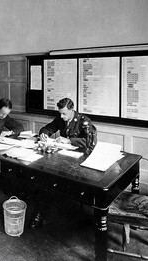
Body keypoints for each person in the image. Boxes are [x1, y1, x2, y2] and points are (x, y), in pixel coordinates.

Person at [29, 97, 97, 229]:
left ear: (72, 110)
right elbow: (47, 128)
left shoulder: (84, 121)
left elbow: (91, 142)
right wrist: (44, 134)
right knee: (46, 178)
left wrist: (70, 141)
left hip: (79, 161)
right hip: (63, 158)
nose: (61, 116)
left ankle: (44, 212)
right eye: (60, 113)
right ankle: (42, 212)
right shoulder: (60, 118)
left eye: (64, 113)